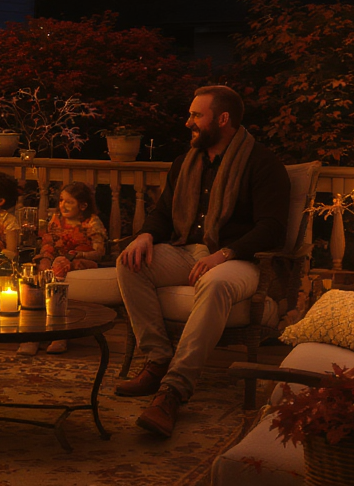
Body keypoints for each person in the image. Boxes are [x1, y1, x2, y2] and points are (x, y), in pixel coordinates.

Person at [114, 86, 290, 438]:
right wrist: (146, 235)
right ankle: (158, 357)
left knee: (216, 282)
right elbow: (163, 213)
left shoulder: (262, 163)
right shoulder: (186, 163)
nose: (187, 122)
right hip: (188, 249)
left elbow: (272, 228)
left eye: (196, 115)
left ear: (223, 119)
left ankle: (173, 390)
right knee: (130, 261)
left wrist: (224, 254)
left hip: (241, 258)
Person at [20, 181, 106, 356]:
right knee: (40, 270)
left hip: (81, 262)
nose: (63, 205)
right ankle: (33, 334)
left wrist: (79, 255)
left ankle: (60, 334)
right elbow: (49, 242)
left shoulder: (91, 222)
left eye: (69, 202)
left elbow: (99, 252)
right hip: (57, 261)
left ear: (83, 205)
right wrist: (45, 257)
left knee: (59, 264)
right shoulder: (56, 220)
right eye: (61, 200)